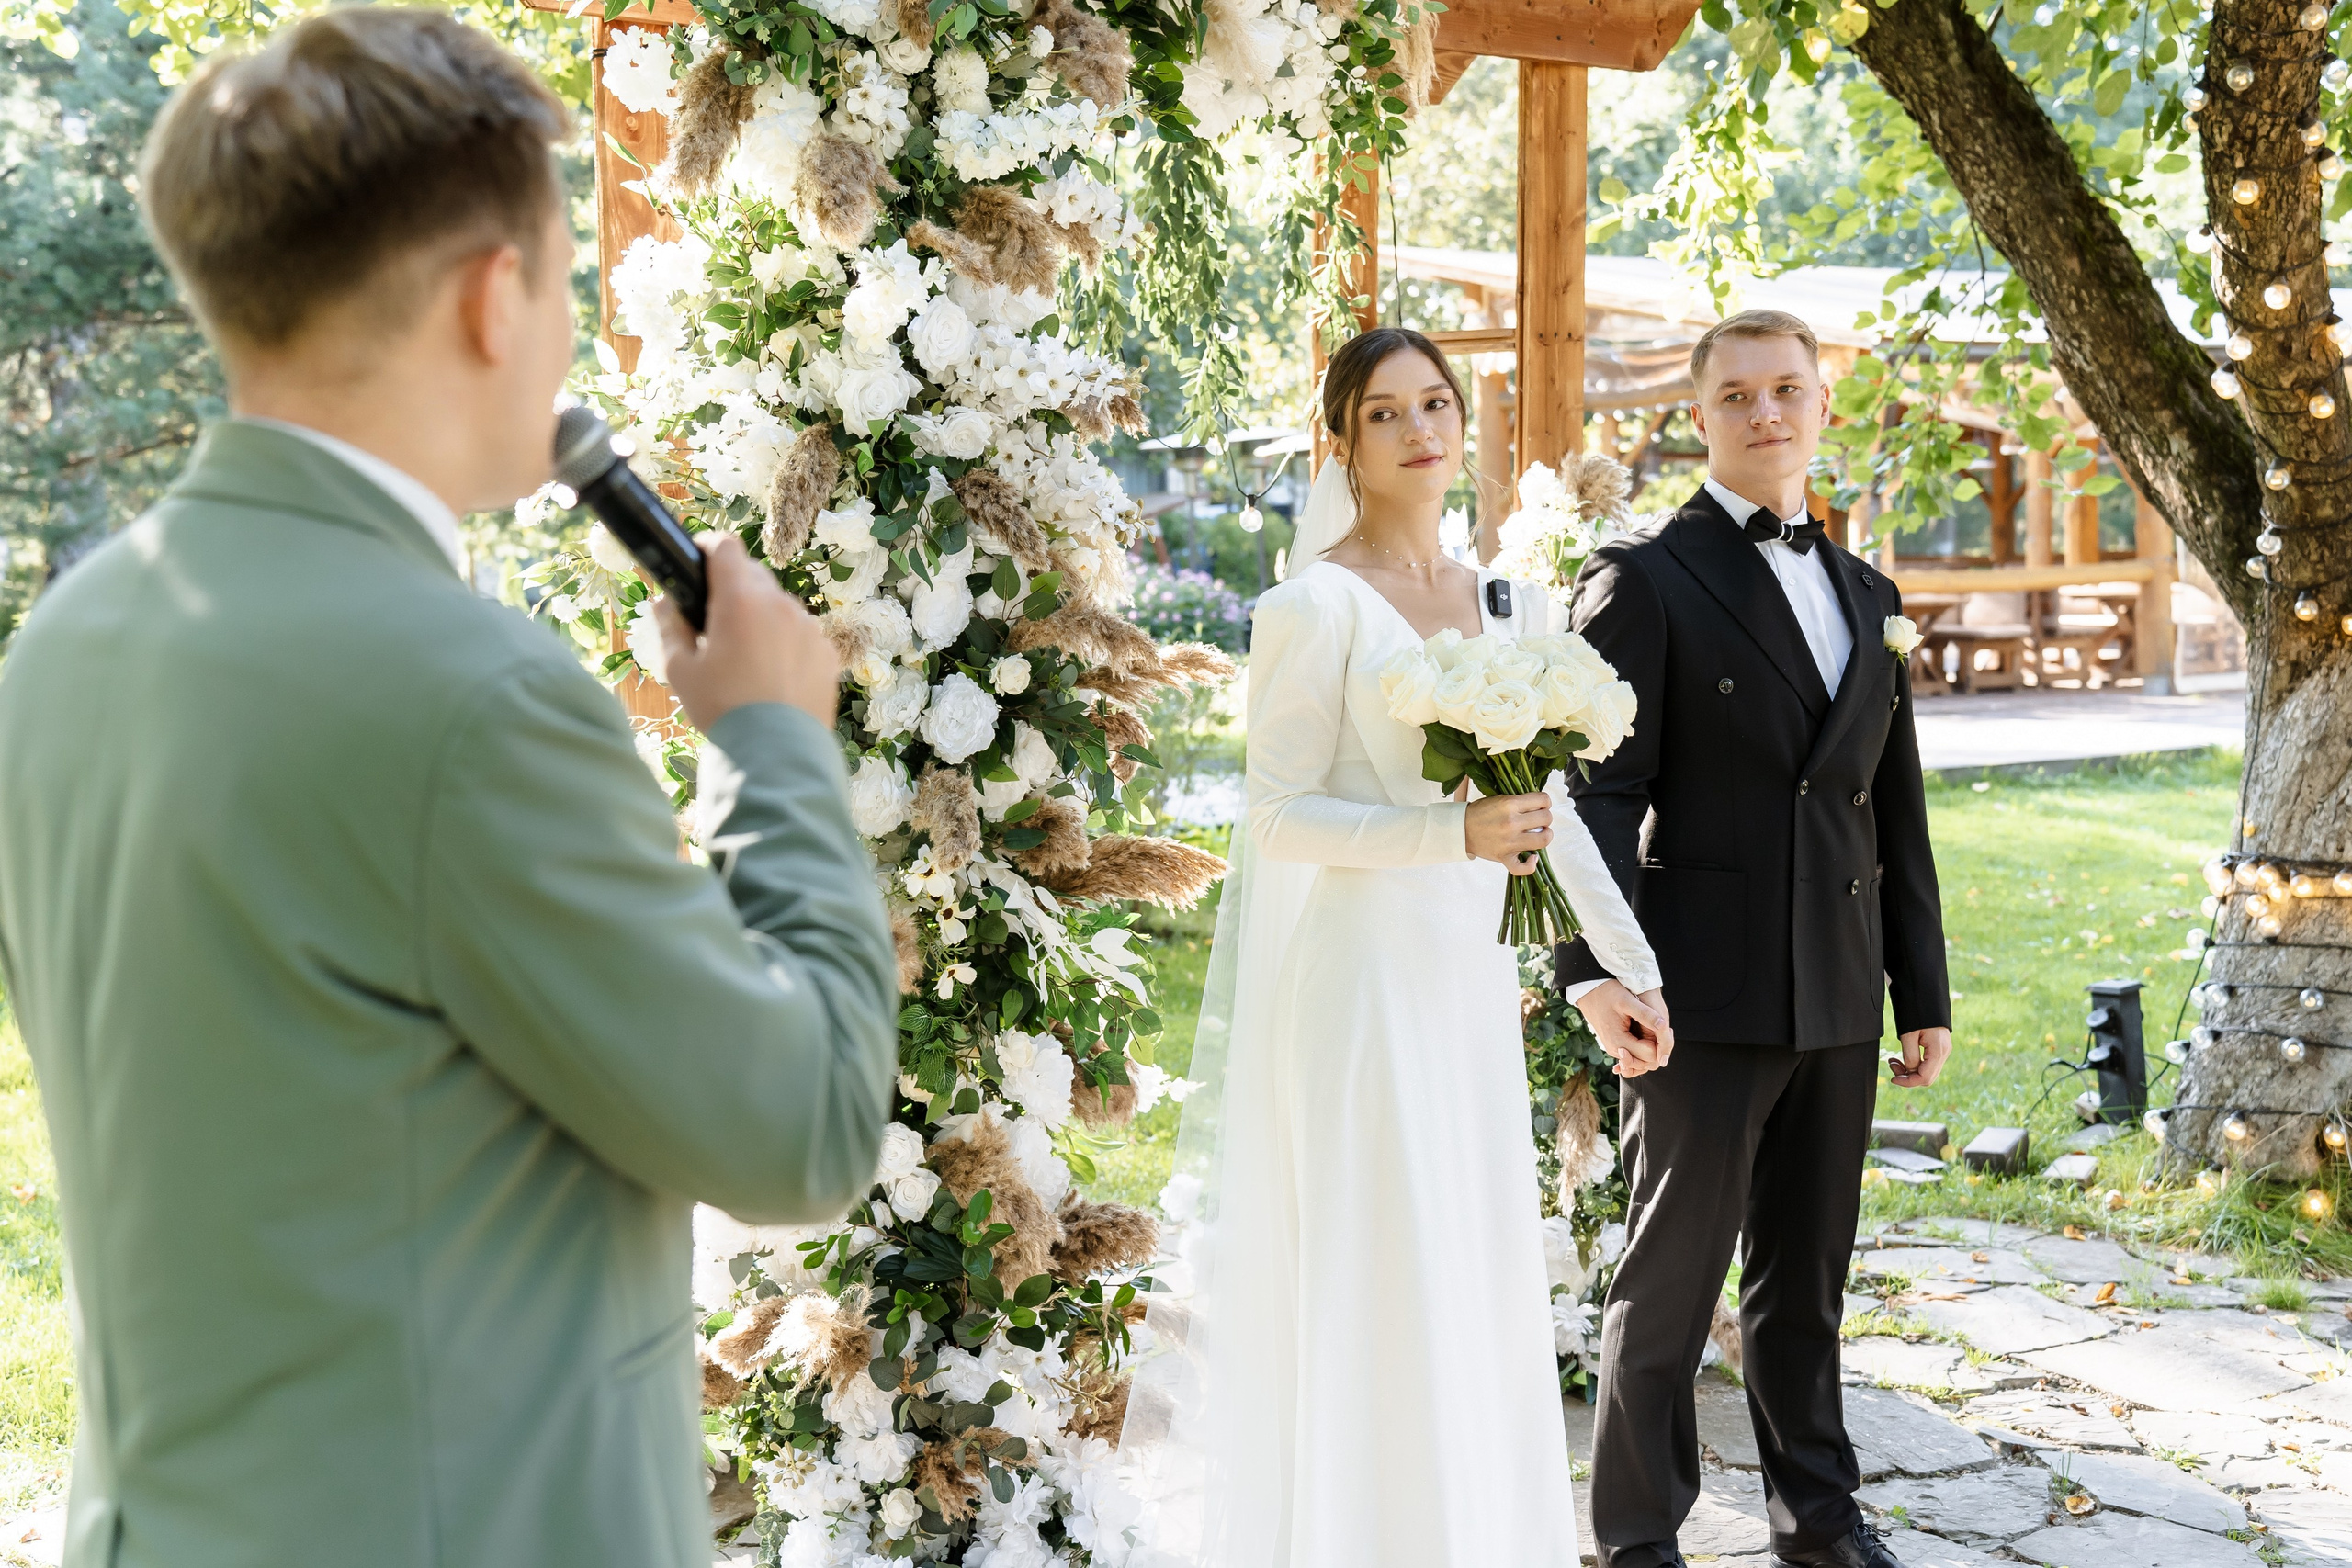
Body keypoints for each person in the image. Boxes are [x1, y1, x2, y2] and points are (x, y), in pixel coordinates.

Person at [0, 12, 899, 1567]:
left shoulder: (62, 647)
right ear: (497, 297)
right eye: (565, 284)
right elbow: (801, 1128)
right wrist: (774, 744)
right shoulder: (479, 703)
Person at [1122, 326, 1673, 1567]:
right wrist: (1447, 835)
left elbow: (1549, 811)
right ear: (1343, 443)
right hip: (1360, 988)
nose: (1420, 429)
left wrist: (1622, 969)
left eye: (1436, 403)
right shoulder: (1311, 606)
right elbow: (1275, 817)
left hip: (1465, 987)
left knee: (1469, 1268)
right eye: (1384, 412)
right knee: (1383, 1269)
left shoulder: (1510, 605)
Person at [1558, 309, 1952, 1568]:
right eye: (1737, 395)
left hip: (1835, 986)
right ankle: (1634, 1542)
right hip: (1699, 995)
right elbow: (1595, 796)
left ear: (1823, 404)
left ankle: (1818, 1525)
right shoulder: (1646, 578)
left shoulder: (1869, 593)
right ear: (1700, 416)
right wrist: (1596, 973)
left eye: (1787, 389)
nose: (1765, 412)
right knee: (1670, 1288)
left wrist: (1920, 990)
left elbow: (1892, 807)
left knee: (1807, 1285)